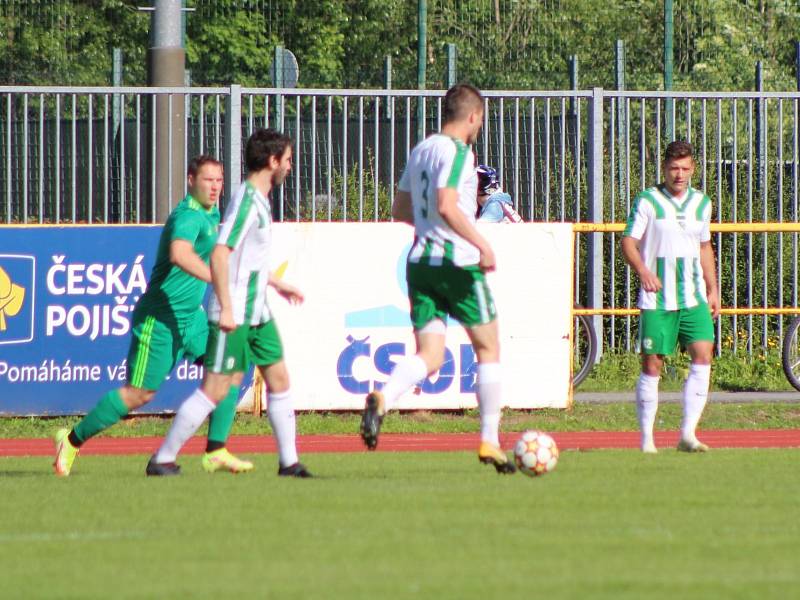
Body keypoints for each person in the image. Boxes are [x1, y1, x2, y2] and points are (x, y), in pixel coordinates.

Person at [53, 156, 252, 476]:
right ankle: (72, 440)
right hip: (159, 320)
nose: (214, 187)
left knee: (228, 371)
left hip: (192, 318)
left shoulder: (211, 211)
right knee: (138, 394)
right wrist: (216, 277)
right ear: (191, 180)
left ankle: (216, 449)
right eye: (207, 180)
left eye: (219, 180)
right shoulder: (188, 216)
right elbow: (180, 253)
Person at [360, 83, 515, 474]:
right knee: (489, 348)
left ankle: (384, 398)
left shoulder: (421, 149)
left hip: (419, 262)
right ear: (473, 117)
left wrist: (431, 227)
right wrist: (481, 243)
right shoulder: (461, 152)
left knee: (430, 356)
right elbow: (447, 204)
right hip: (456, 265)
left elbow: (400, 209)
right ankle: (490, 441)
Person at [147, 128, 312, 478]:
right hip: (235, 312)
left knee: (279, 378)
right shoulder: (249, 200)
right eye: (287, 160)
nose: (290, 167)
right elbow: (221, 254)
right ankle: (162, 458)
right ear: (272, 161)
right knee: (217, 388)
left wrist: (277, 283)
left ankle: (289, 463)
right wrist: (226, 308)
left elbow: (247, 259)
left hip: (258, 312)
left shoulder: (261, 199)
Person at [621, 140, 720, 454]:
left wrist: (713, 287)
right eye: (674, 168)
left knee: (703, 354)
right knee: (653, 364)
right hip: (658, 299)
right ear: (664, 168)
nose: (679, 174)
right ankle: (647, 440)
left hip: (693, 297)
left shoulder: (702, 203)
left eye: (685, 168)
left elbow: (704, 247)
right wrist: (643, 271)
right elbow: (628, 242)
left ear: (693, 169)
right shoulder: (648, 200)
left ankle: (688, 434)